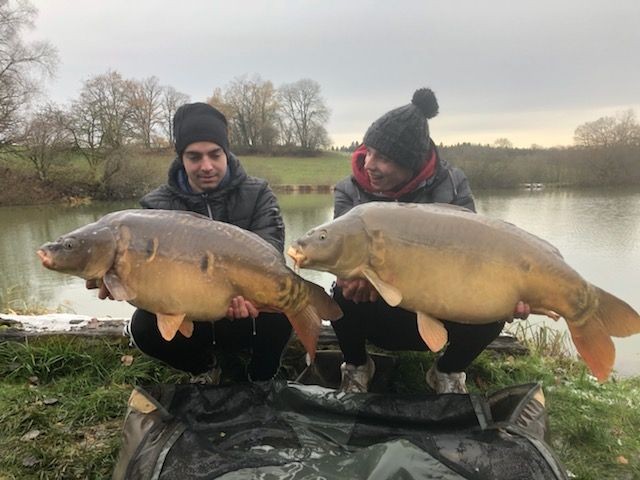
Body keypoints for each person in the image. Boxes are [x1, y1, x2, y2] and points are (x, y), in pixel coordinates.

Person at [331, 88, 530, 394]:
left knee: (496, 307)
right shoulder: (349, 190)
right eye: (368, 151)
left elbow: (473, 255)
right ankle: (358, 366)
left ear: (410, 163)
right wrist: (350, 278)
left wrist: (503, 291)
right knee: (340, 294)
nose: (369, 163)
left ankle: (447, 371)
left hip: (440, 305)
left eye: (382, 157)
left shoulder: (451, 183)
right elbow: (342, 253)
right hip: (377, 304)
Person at [89, 102, 291, 383]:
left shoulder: (258, 193)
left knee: (283, 311)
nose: (206, 166)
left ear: (226, 152)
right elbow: (148, 280)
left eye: (214, 154)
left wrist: (247, 290)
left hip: (244, 306)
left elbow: (271, 254)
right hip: (189, 310)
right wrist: (119, 282)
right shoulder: (156, 207)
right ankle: (206, 369)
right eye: (194, 157)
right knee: (144, 327)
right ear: (181, 158)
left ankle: (262, 376)